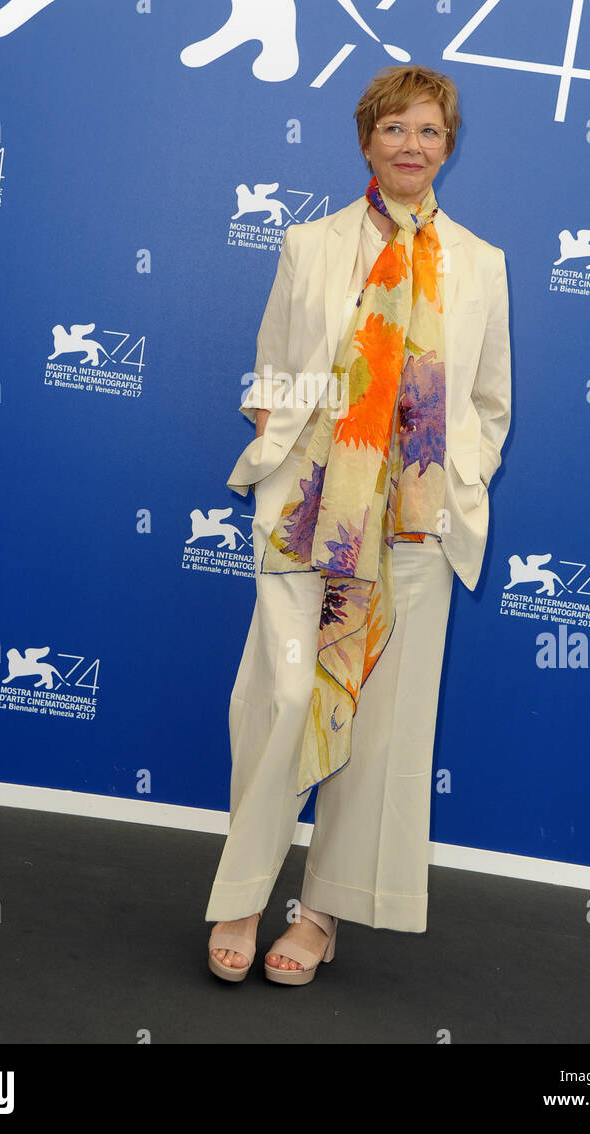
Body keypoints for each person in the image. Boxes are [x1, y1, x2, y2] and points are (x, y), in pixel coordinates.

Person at [206, 65, 511, 984]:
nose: (411, 145)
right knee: (285, 699)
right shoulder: (309, 245)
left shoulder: (481, 264)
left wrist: (452, 477)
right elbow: (272, 369)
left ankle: (323, 913)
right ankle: (242, 897)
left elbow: (489, 404)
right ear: (366, 140)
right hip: (309, 517)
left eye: (429, 131)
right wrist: (286, 444)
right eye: (394, 128)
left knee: (380, 730)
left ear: (447, 148)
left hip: (413, 532)